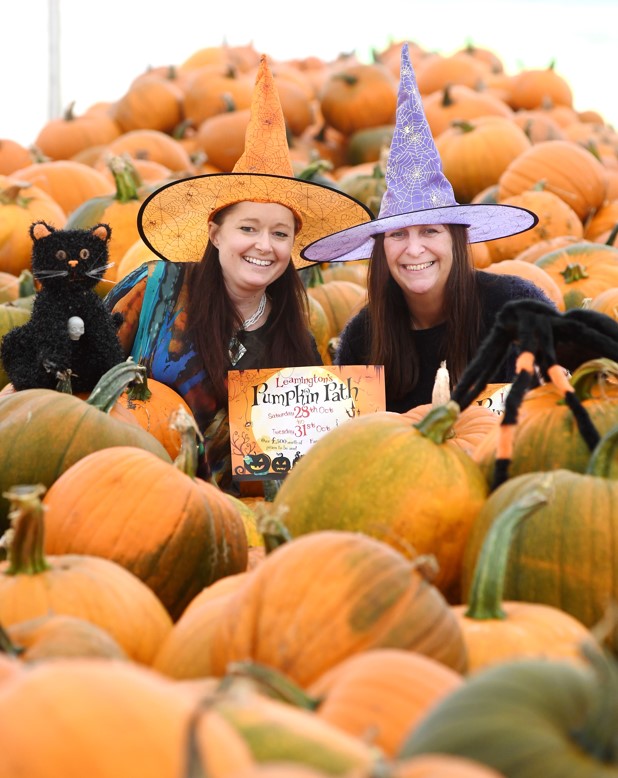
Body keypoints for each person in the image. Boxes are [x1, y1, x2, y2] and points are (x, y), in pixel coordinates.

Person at [104, 55, 373, 491]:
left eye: (280, 234)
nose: (264, 246)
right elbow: (81, 384)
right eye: (248, 229)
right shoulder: (156, 289)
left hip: (235, 514)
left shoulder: (295, 337)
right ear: (215, 234)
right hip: (124, 486)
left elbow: (302, 462)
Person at [300, 42, 558, 413]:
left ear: (456, 238)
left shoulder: (516, 307)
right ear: (382, 248)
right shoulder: (363, 337)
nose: (414, 249)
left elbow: (552, 417)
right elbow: (357, 439)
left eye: (430, 231)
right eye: (398, 234)